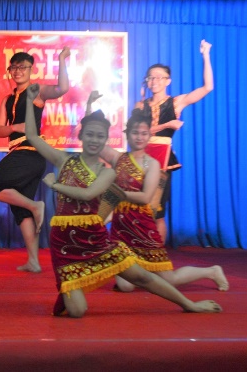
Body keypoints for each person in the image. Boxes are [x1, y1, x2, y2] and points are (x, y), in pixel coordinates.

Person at [24, 84, 221, 318]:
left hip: (94, 237)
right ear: (81, 135)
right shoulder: (63, 160)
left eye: (100, 136)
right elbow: (32, 136)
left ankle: (189, 304)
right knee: (76, 311)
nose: (94, 140)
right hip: (64, 242)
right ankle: (71, 288)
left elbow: (88, 194)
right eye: (90, 134)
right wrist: (29, 101)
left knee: (142, 277)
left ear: (106, 139)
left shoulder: (107, 172)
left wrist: (55, 186)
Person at [87, 93, 229, 293]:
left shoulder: (153, 165)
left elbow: (146, 197)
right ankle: (139, 273)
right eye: (135, 133)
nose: (139, 137)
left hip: (143, 228)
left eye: (144, 133)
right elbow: (91, 135)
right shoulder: (118, 158)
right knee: (125, 286)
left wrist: (118, 194)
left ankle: (211, 271)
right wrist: (89, 106)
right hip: (121, 230)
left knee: (169, 279)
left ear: (148, 136)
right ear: (127, 134)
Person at [0, 48, 71, 273]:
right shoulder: (7, 99)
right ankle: (33, 261)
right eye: (14, 67)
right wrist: (15, 127)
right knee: (20, 210)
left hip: (30, 153)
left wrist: (61, 60)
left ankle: (35, 205)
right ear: (9, 70)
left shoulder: (36, 90)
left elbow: (62, 88)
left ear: (31, 70)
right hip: (18, 152)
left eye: (23, 67)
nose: (18, 71)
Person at [135, 40, 214, 243]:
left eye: (159, 77)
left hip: (162, 159)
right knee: (137, 210)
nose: (154, 81)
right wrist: (166, 124)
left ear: (167, 81)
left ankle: (156, 255)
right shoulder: (140, 106)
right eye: (151, 77)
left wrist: (205, 55)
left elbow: (207, 87)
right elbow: (134, 132)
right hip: (139, 158)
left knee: (157, 210)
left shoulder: (176, 102)